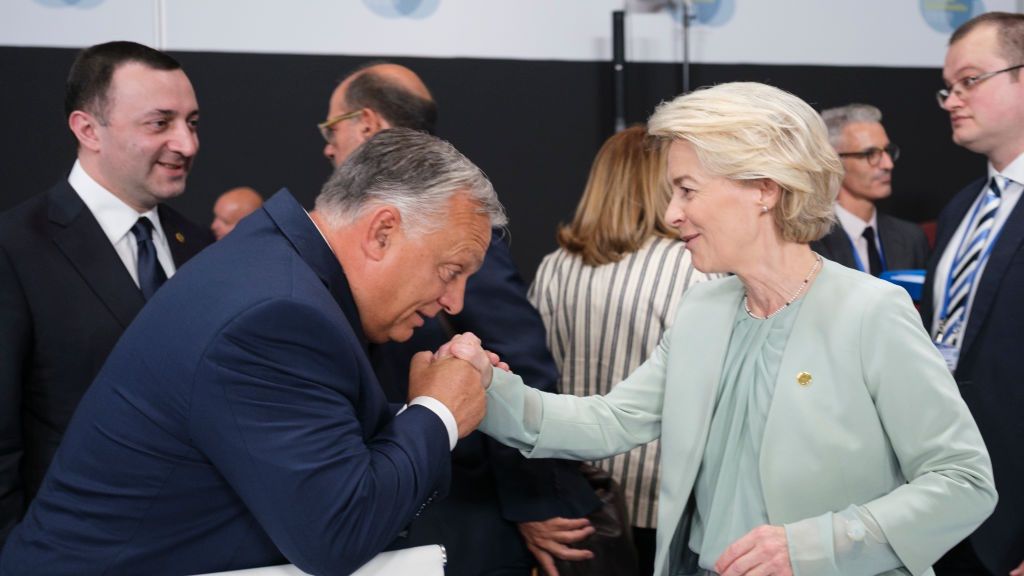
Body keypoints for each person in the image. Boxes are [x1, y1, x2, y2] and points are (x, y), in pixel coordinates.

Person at [457, 82, 996, 576]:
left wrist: (814, 546)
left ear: (764, 188)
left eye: (687, 190)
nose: (671, 213)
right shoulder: (704, 310)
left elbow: (963, 483)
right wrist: (485, 389)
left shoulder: (871, 312)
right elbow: (609, 422)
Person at [0, 129, 502, 575]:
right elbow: (338, 534)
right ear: (382, 232)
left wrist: (429, 407)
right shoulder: (278, 315)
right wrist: (437, 413)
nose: (452, 302)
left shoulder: (277, 269)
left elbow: (307, 445)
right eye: (450, 270)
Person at [320, 62, 599, 576]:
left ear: (366, 124)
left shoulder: (450, 221)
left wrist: (534, 503)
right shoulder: (356, 226)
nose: (327, 146)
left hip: (455, 507)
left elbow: (515, 356)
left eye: (331, 127)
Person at [0, 40, 211, 548]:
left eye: (193, 122)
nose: (187, 143)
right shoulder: (14, 248)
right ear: (88, 130)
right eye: (160, 123)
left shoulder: (202, 248)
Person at [529, 125, 715, 575]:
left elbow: (533, 377)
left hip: (580, 500)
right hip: (664, 500)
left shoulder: (554, 267)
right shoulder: (695, 270)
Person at [926, 11, 1024, 576]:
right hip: (943, 509)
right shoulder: (961, 207)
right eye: (948, 87)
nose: (951, 100)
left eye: (970, 80)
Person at [813, 104, 929, 274]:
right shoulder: (811, 240)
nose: (888, 164)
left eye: (887, 151)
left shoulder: (911, 238)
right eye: (870, 154)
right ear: (833, 161)